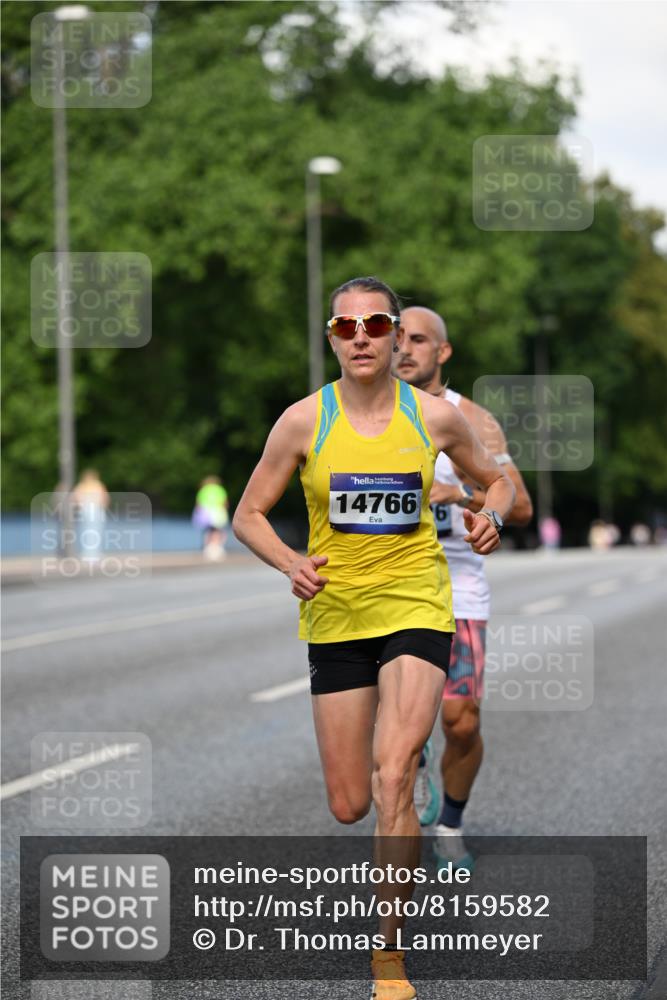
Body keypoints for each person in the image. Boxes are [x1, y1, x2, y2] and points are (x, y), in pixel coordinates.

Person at [233, 277, 515, 999]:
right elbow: (249, 515)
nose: (361, 336)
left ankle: (387, 955)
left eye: (376, 324)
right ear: (332, 337)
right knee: (349, 802)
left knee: (393, 778)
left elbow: (500, 483)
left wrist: (492, 514)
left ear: (395, 336)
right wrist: (290, 561)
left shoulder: (435, 418)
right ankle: (403, 743)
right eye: (346, 325)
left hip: (418, 601)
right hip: (336, 616)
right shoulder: (302, 421)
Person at [394, 306, 532, 872]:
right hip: (390, 580)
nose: (403, 349)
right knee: (393, 723)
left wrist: (462, 498)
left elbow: (520, 506)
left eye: (418, 340)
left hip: (458, 584)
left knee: (462, 720)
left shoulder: (471, 419)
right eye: (396, 337)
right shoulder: (366, 413)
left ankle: (450, 821)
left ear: (442, 353)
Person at [70, 469, 110, 563]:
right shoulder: (97, 485)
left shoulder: (82, 485)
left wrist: (80, 506)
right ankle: (93, 553)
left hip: (87, 509)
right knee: (95, 531)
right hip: (94, 509)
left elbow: (74, 498)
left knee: (87, 531)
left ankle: (89, 553)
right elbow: (105, 498)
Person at [193, 475, 229, 561]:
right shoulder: (220, 489)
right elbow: (225, 503)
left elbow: (198, 504)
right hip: (217, 512)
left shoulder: (203, 490)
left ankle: (208, 547)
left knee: (208, 531)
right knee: (217, 530)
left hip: (205, 513)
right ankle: (217, 547)